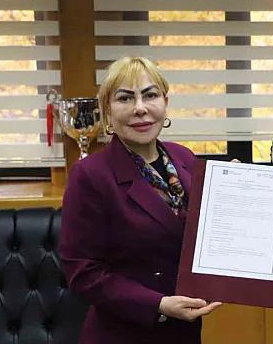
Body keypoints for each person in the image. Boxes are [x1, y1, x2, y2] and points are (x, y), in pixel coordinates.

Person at [59, 56, 222, 344]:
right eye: (125, 98)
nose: (140, 108)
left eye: (150, 95)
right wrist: (158, 305)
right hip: (124, 335)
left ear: (165, 103)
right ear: (107, 111)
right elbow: (83, 274)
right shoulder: (90, 175)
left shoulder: (184, 158)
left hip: (184, 333)